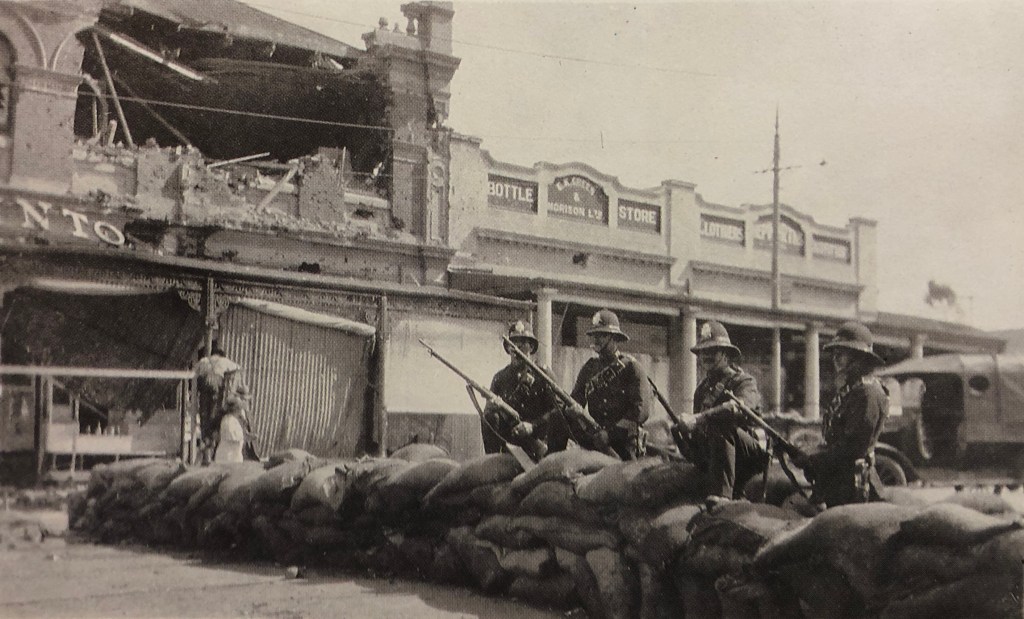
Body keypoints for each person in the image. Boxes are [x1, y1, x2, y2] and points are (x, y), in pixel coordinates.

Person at [791, 321, 888, 508]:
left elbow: (853, 448)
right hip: (838, 483)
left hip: (855, 490)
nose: (835, 358)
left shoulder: (868, 393)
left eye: (841, 354)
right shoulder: (851, 390)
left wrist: (812, 458)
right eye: (834, 354)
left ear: (859, 357)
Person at [675, 320, 769, 505]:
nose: (706, 356)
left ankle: (722, 496)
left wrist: (699, 418)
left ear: (725, 354)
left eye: (712, 351)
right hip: (716, 453)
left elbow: (738, 409)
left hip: (747, 454)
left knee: (721, 425)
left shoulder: (744, 382)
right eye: (703, 352)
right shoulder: (701, 390)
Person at [570, 309, 650, 459]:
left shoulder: (630, 368)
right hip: (596, 440)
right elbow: (576, 399)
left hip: (624, 444)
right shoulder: (589, 368)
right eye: (594, 335)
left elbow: (640, 411)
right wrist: (574, 410)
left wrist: (610, 435)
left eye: (602, 335)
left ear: (614, 338)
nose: (596, 340)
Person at [482, 321, 568, 459]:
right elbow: (489, 417)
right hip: (510, 445)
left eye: (523, 342)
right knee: (490, 415)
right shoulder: (499, 378)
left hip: (539, 442)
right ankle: (493, 459)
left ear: (532, 346)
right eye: (513, 342)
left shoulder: (543, 375)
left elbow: (558, 411)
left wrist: (532, 426)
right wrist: (492, 407)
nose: (517, 347)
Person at [194, 343, 243, 464]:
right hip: (216, 391)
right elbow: (237, 367)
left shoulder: (204, 360)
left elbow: (195, 372)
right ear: (221, 354)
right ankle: (210, 445)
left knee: (204, 418)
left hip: (204, 392)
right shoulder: (224, 360)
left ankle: (206, 449)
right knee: (214, 417)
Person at [214, 395, 247, 463]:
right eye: (240, 408)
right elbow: (232, 437)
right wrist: (245, 437)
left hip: (234, 456)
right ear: (236, 409)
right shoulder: (228, 421)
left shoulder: (234, 420)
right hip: (228, 457)